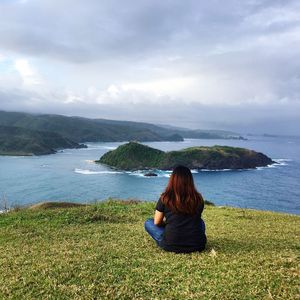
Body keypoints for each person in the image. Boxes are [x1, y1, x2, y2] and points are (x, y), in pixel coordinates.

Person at [144, 165, 206, 253]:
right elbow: (195, 220)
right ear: (190, 180)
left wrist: (168, 224)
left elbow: (157, 222)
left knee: (148, 222)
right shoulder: (198, 198)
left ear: (173, 180)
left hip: (171, 245)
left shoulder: (165, 198)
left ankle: (172, 232)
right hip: (198, 245)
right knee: (201, 222)